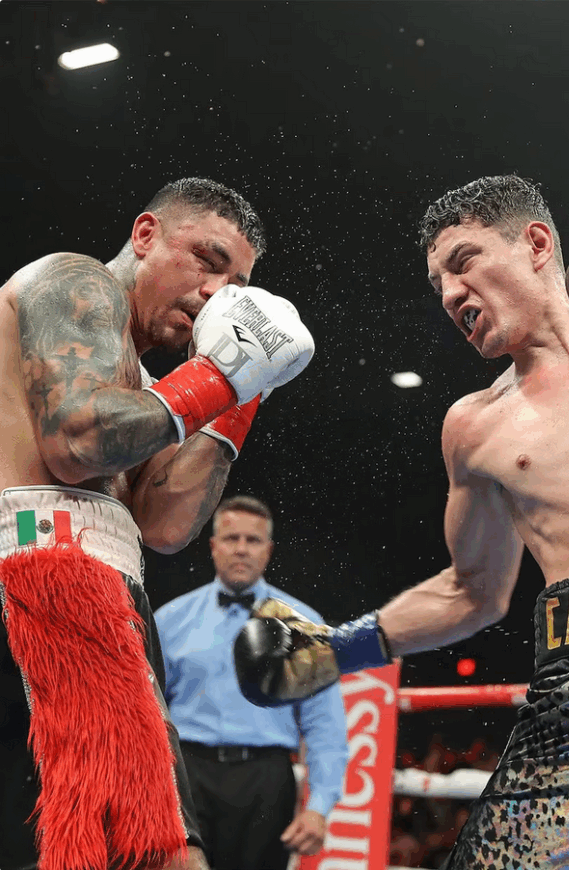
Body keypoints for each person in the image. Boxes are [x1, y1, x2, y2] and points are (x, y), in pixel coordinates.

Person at [235, 175, 569, 868]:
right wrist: (337, 650)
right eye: (438, 284)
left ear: (536, 244)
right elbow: (472, 590)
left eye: (464, 262)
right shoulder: (475, 427)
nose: (451, 293)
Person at [0, 177, 314, 870]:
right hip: (41, 578)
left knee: (152, 846)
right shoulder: (74, 282)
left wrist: (242, 392)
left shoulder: (143, 388)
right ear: (146, 235)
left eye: (236, 285)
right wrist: (219, 377)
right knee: (144, 852)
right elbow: (77, 441)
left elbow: (166, 524)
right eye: (207, 259)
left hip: (107, 600)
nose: (216, 292)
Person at [155, 495, 348, 870]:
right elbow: (147, 715)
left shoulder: (303, 624)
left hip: (266, 782)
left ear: (268, 550)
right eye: (232, 538)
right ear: (213, 546)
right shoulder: (170, 619)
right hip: (186, 776)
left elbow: (324, 723)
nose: (241, 549)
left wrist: (319, 807)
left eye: (253, 540)